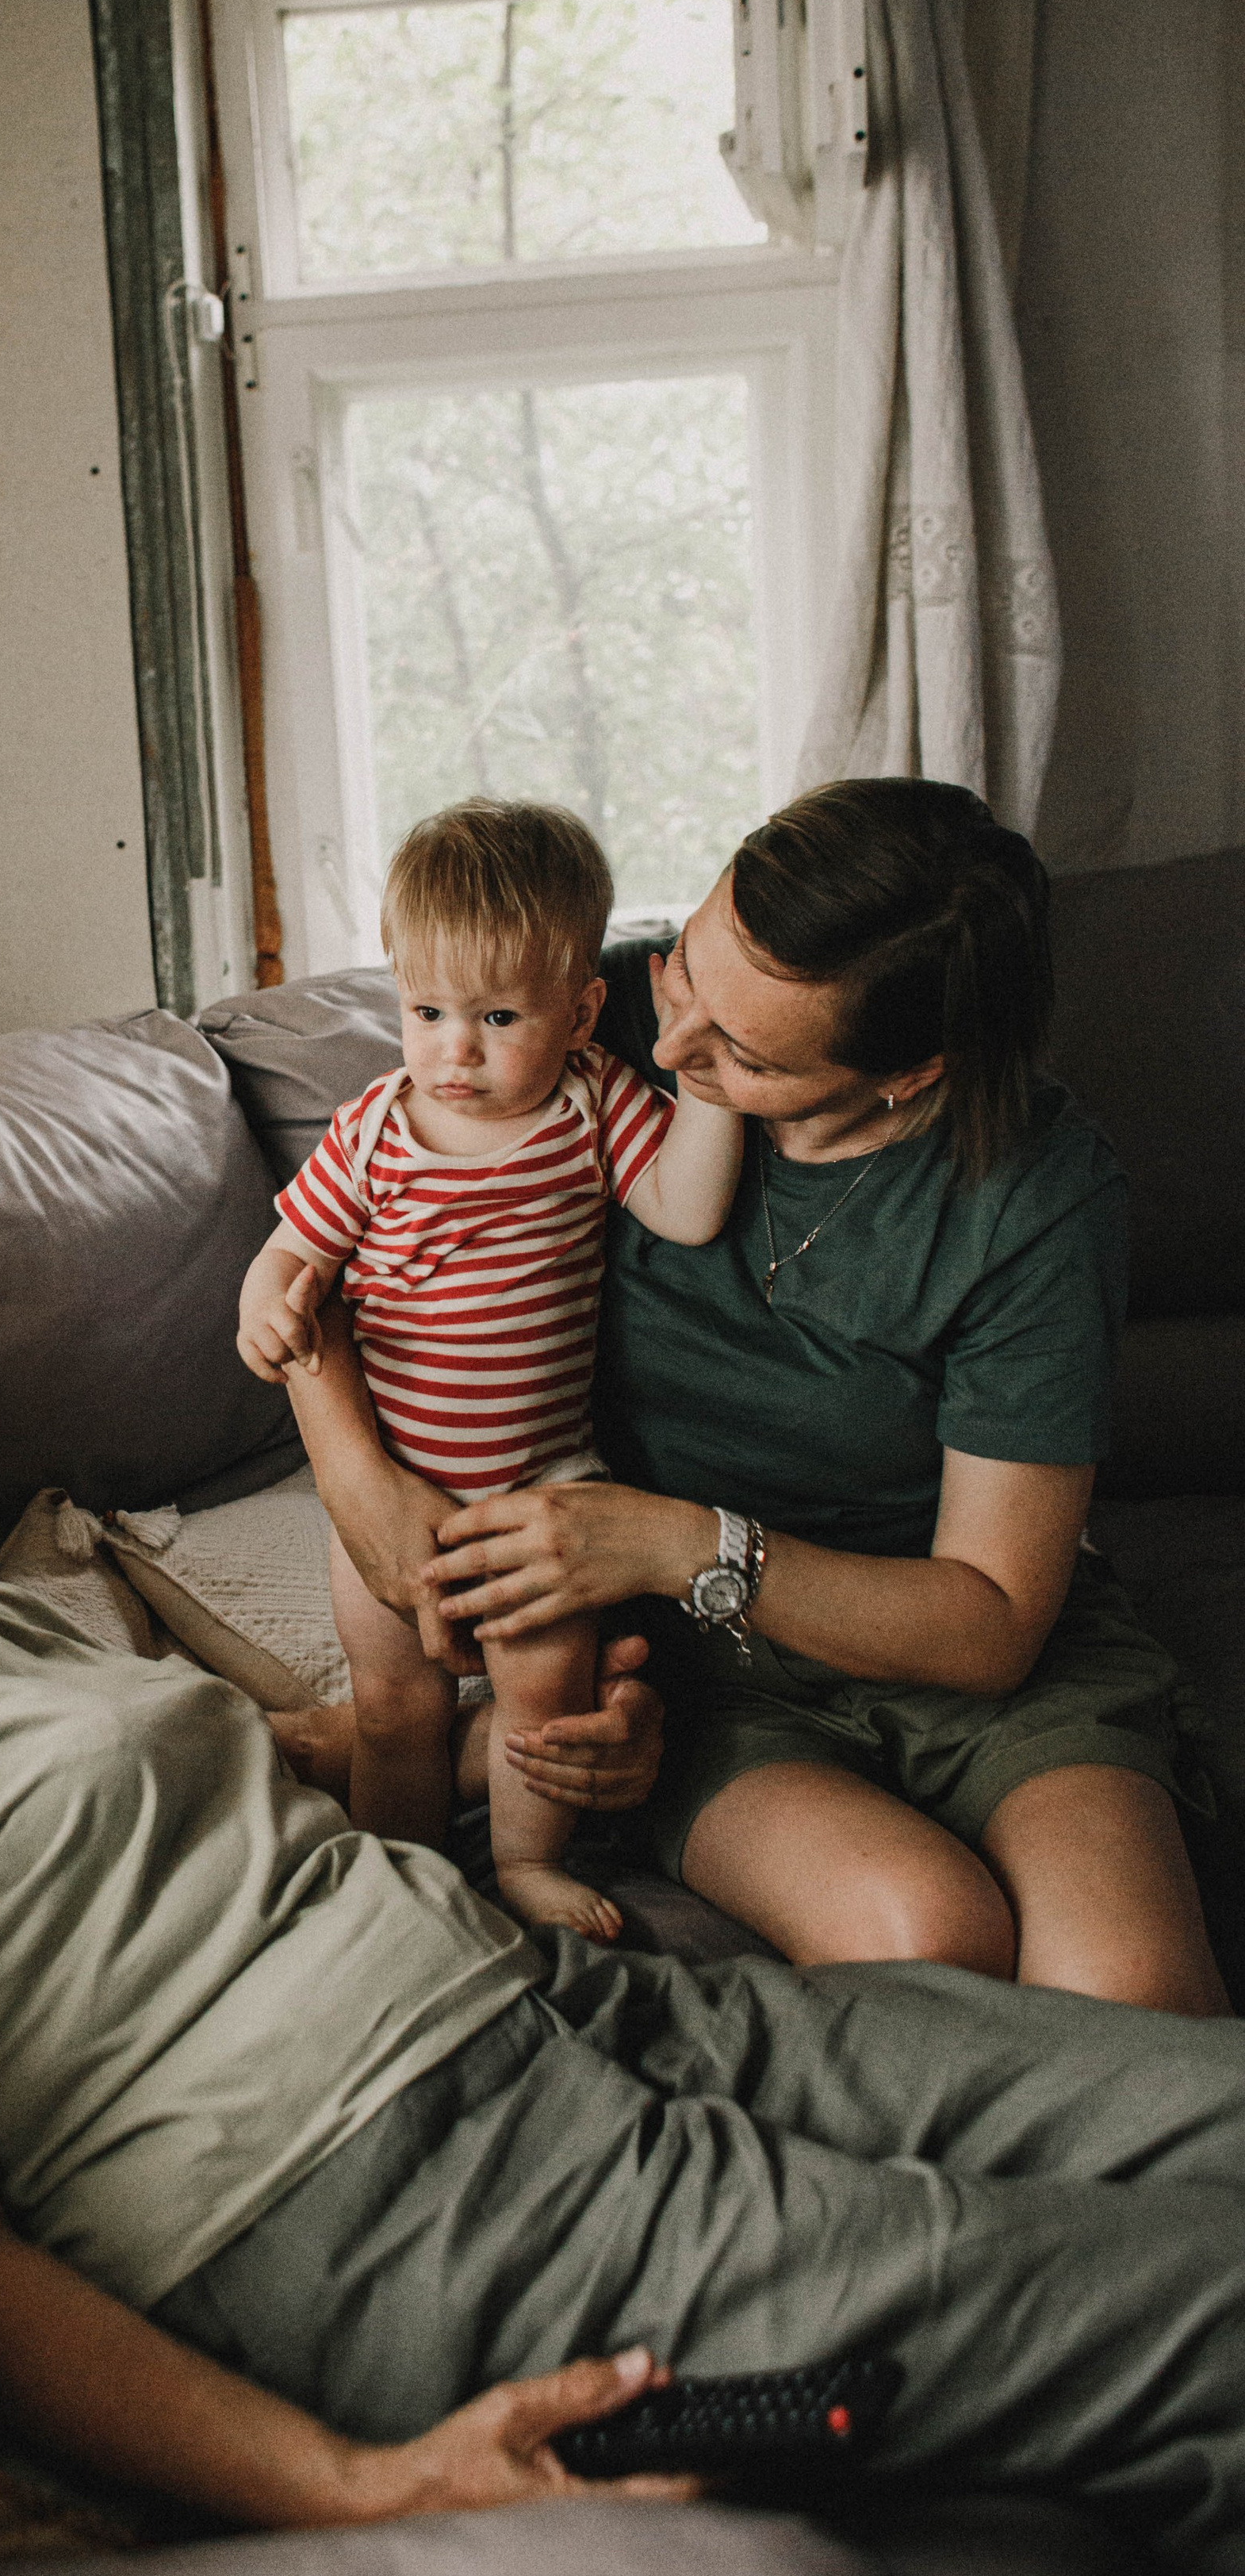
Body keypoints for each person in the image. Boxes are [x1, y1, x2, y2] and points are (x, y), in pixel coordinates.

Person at [0, 1233, 1245, 2576]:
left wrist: (552, 1766)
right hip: (384, 2189)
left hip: (566, 2006)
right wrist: (352, 2488)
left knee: (1195, 2096)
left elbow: (327, 1816)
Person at [287, 778, 1228, 2015]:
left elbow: (990, 1622)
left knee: (1127, 2001)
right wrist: (365, 1486)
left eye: (743, 1055)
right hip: (709, 1677)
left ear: (907, 1073)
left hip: (966, 1655)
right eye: (691, 971)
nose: (670, 1049)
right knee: (926, 1934)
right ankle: (436, 1747)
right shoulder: (585, 1014)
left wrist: (677, 1541)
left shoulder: (1035, 1197)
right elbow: (352, 1243)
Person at [236, 799, 741, 1937]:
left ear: (581, 1012)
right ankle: (401, 1876)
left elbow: (691, 1209)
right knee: (392, 1706)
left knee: (544, 1705)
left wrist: (701, 1082)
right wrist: (265, 1310)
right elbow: (289, 1255)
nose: (453, 1050)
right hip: (394, 1487)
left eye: (498, 1016)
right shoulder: (374, 1128)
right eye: (426, 1011)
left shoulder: (592, 1104)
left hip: (542, 1498)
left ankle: (521, 1867)